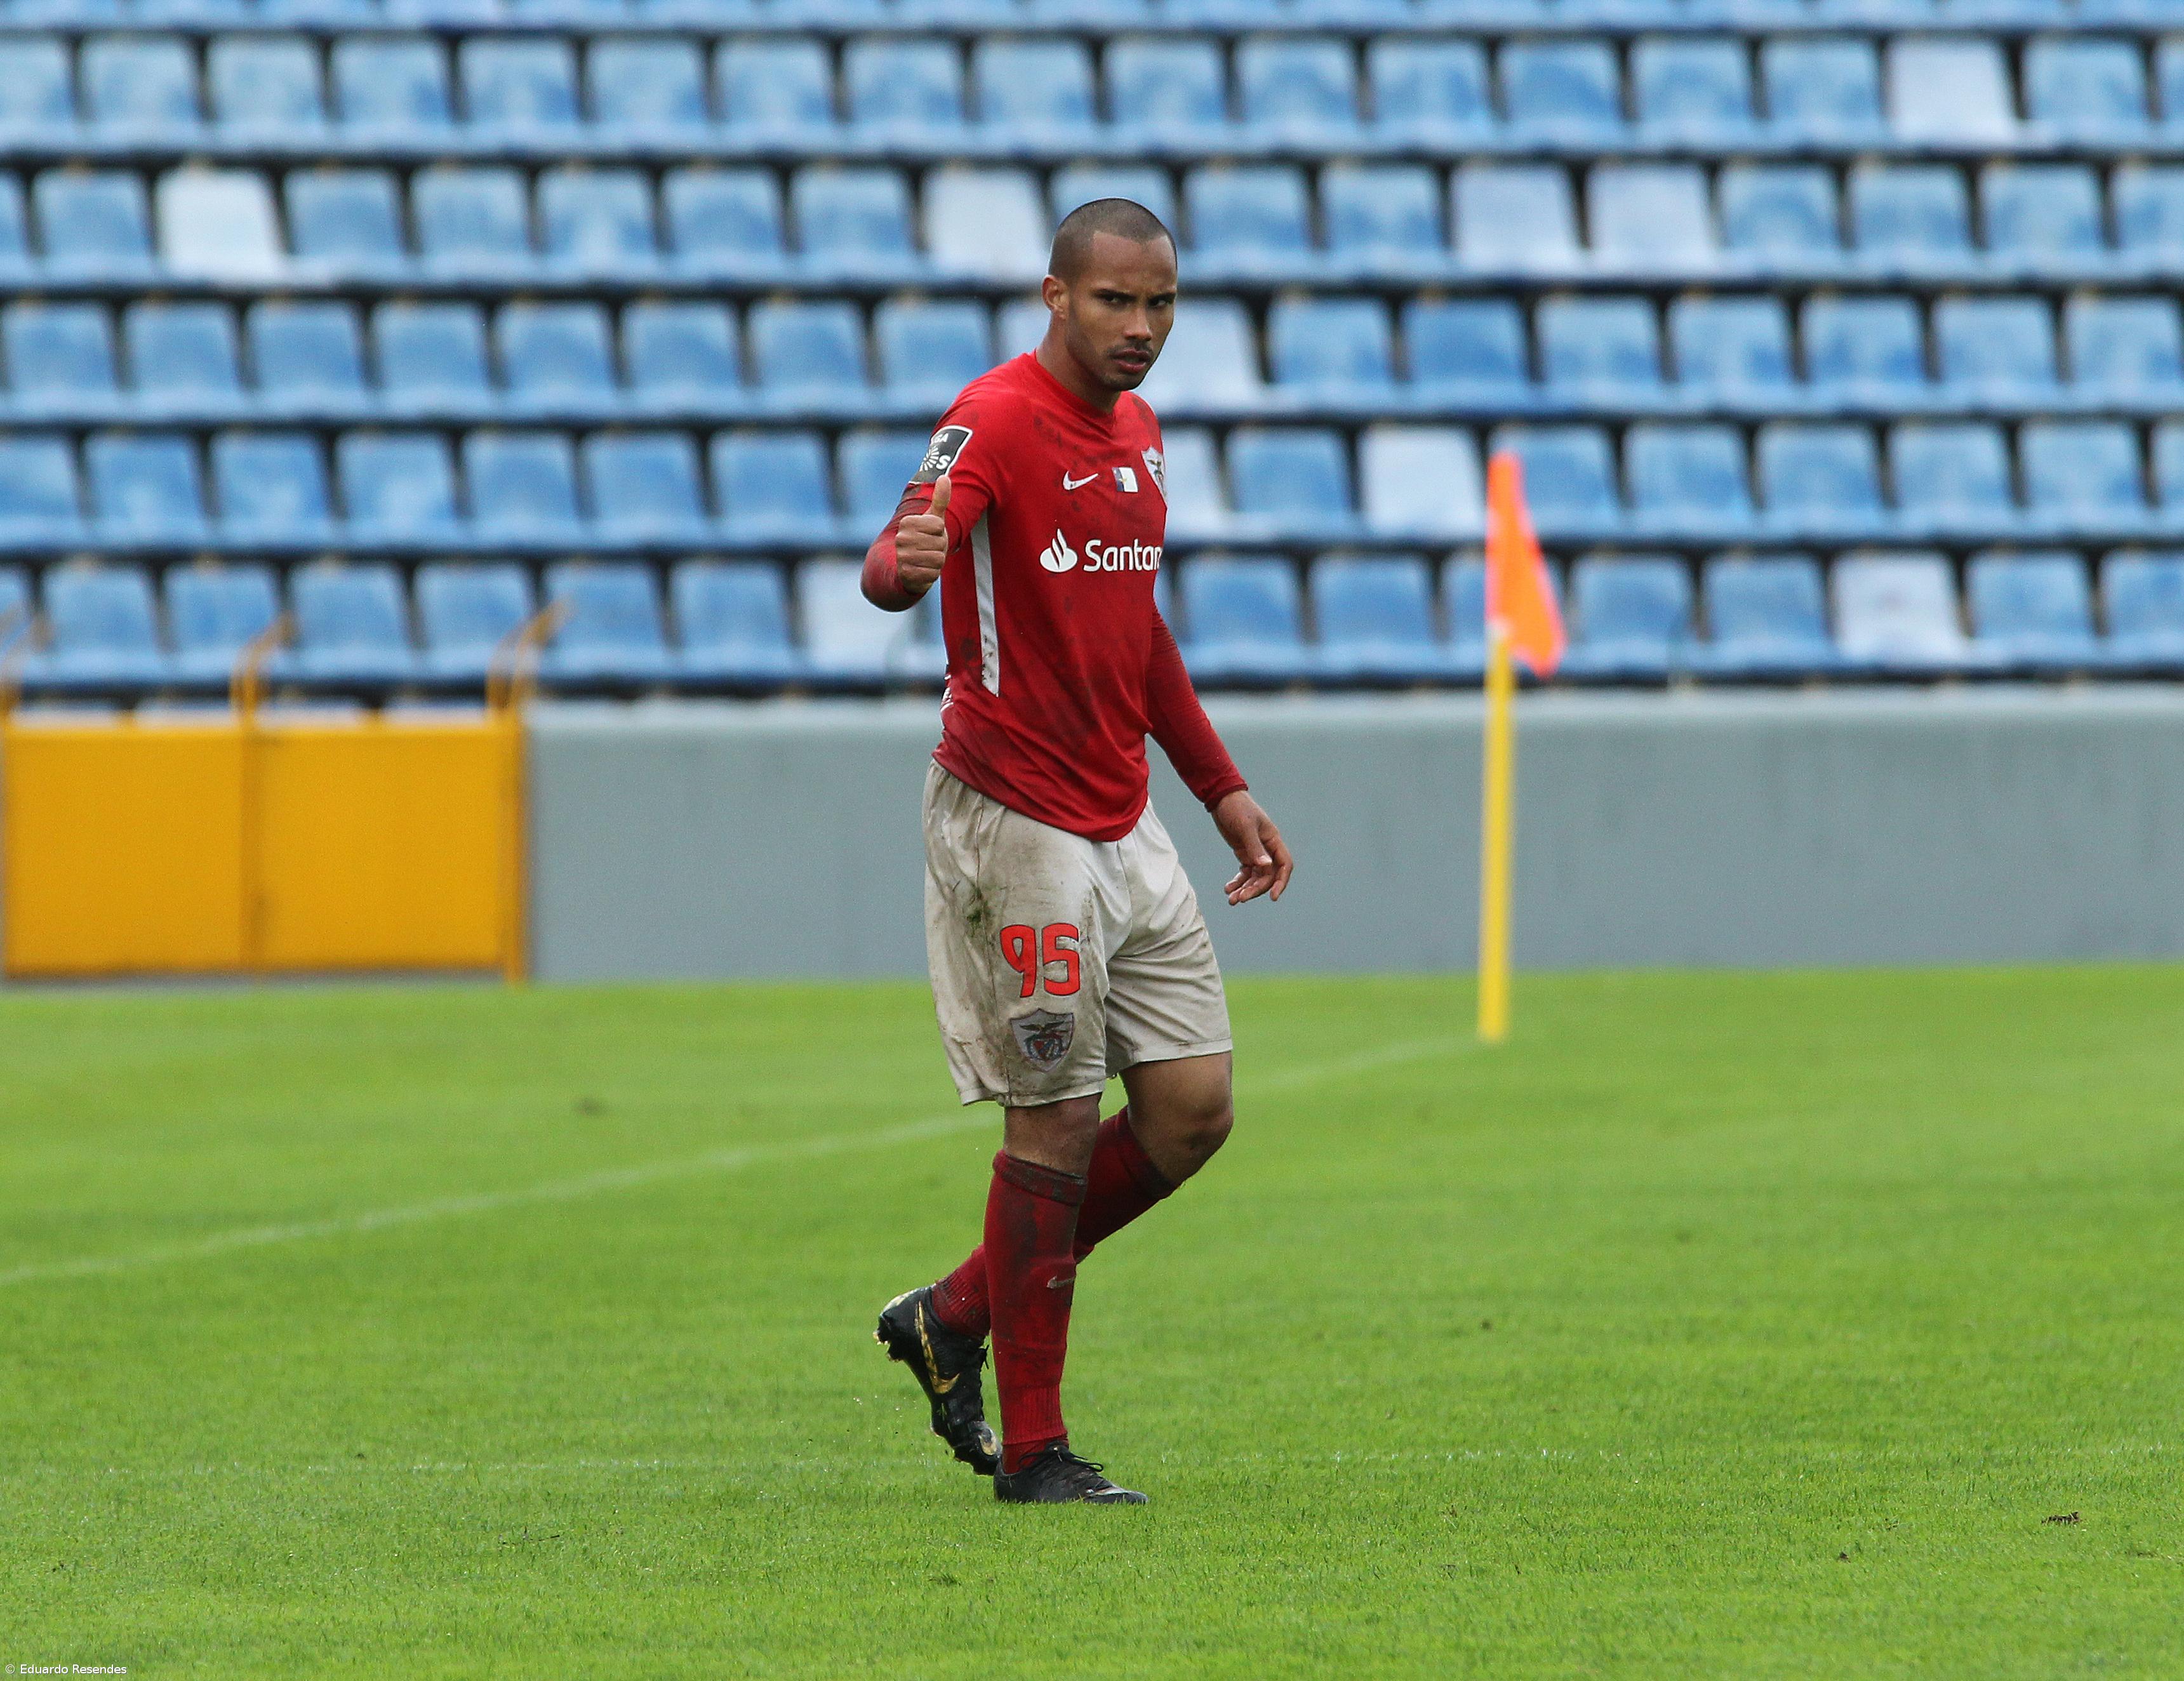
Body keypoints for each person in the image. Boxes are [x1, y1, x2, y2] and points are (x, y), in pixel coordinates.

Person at [862, 199, 1295, 1505]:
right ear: (1055, 296)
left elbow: (1137, 630)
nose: (1141, 327)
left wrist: (1219, 787)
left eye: (1160, 304)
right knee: (1051, 1118)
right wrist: (903, 563)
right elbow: (898, 556)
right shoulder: (992, 417)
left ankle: (953, 1312)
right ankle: (1035, 1452)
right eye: (1115, 300)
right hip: (1017, 818)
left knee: (1192, 1108)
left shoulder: (1141, 435)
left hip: (1122, 812)